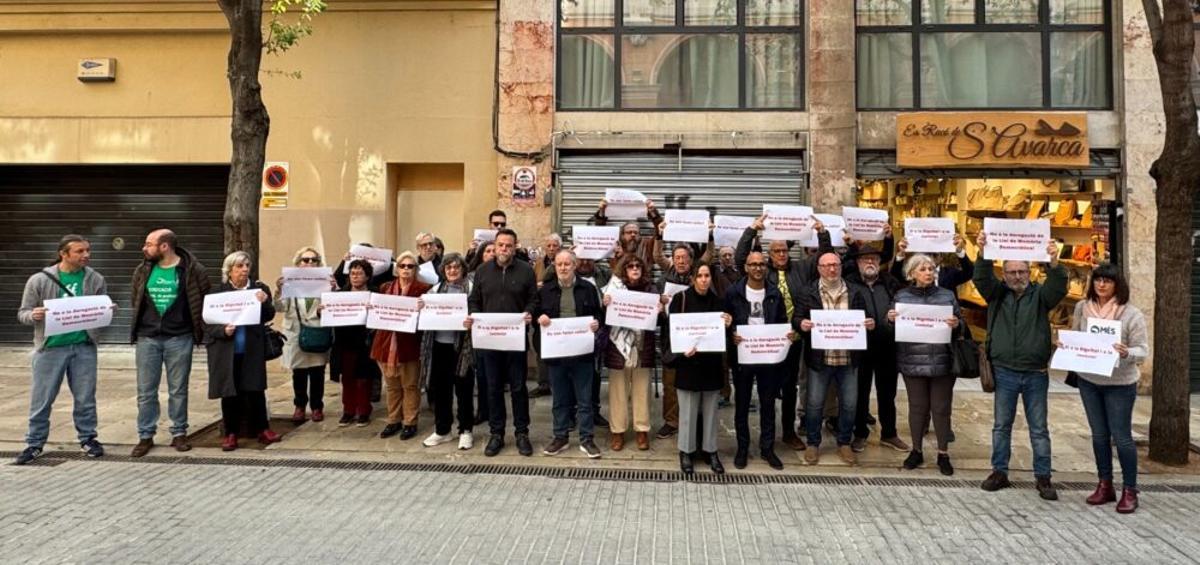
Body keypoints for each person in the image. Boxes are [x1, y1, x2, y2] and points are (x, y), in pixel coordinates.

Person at [974, 233, 1066, 500]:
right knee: (1002, 424)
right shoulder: (996, 294)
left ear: (1030, 271)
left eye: (1022, 271)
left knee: (1039, 428)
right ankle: (999, 471)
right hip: (1004, 370)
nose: (1017, 276)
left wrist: (1054, 263)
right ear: (1003, 273)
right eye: (1012, 271)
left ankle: (1044, 477)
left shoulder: (1041, 296)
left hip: (1036, 372)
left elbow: (1058, 286)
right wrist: (981, 254)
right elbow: (981, 278)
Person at [14, 235, 114, 465]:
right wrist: (34, 315)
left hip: (83, 347)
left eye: (87, 250)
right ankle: (34, 442)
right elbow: (23, 313)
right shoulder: (39, 280)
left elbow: (99, 312)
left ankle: (88, 438)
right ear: (64, 253)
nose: (86, 255)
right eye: (79, 251)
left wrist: (106, 310)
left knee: (85, 397)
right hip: (50, 349)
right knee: (42, 398)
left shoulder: (95, 278)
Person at [735, 215, 831, 452]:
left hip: (794, 340)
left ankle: (788, 431)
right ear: (769, 254)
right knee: (767, 390)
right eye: (776, 251)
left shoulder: (801, 268)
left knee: (791, 388)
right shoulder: (761, 272)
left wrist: (822, 233)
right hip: (764, 342)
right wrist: (751, 231)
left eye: (784, 250)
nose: (781, 254)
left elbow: (824, 257)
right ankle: (757, 439)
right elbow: (740, 259)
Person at [1070, 264, 1148, 514]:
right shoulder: (1082, 308)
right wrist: (1067, 344)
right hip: (1089, 380)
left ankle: (1130, 489)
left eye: (1107, 281)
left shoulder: (1131, 314)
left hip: (1119, 384)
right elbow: (1076, 335)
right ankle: (1105, 484)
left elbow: (1142, 350)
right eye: (1098, 280)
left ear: (1117, 285)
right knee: (1099, 435)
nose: (1101, 285)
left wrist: (1127, 352)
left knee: (1122, 437)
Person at [130, 229, 211, 457]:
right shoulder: (142, 270)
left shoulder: (193, 271)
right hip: (148, 338)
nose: (144, 248)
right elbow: (135, 298)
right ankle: (145, 435)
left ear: (164, 246)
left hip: (180, 337)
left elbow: (203, 299)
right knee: (146, 391)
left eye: (149, 244)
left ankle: (179, 432)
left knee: (178, 389)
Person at [795, 251, 873, 466]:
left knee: (849, 404)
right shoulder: (808, 291)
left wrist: (869, 324)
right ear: (819, 268)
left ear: (841, 267)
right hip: (820, 359)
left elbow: (866, 318)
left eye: (835, 265)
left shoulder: (855, 292)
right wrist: (801, 324)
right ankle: (813, 443)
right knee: (814, 403)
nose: (832, 269)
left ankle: (844, 443)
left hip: (848, 359)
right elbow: (797, 318)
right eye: (827, 265)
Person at [467, 228, 539, 457]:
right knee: (493, 387)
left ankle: (521, 433)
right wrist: (474, 317)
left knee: (518, 387)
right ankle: (496, 433)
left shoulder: (526, 271)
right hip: (489, 341)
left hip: (515, 340)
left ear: (515, 247)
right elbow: (474, 301)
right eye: (500, 245)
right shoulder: (482, 271)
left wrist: (529, 313)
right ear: (495, 246)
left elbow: (533, 299)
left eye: (509, 245)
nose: (504, 249)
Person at [888, 253, 962, 476]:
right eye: (923, 269)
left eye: (931, 269)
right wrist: (890, 319)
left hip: (942, 361)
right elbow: (893, 330)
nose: (929, 272)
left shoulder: (947, 295)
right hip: (913, 361)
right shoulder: (902, 296)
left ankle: (943, 453)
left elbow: (960, 326)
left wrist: (957, 323)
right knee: (917, 408)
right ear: (911, 274)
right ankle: (916, 450)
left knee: (941, 408)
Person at [204, 251, 280, 451]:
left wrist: (264, 301)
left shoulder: (258, 289)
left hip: (251, 349)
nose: (245, 269)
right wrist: (223, 330)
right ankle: (231, 433)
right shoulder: (217, 293)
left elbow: (269, 315)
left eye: (247, 265)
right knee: (230, 393)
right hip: (227, 351)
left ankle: (263, 429)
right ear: (229, 270)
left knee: (256, 390)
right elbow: (207, 324)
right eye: (240, 266)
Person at [726, 251, 795, 470]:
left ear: (766, 267)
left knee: (768, 403)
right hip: (743, 357)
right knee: (742, 404)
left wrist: (788, 335)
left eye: (761, 264)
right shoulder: (733, 292)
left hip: (768, 357)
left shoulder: (774, 292)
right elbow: (724, 321)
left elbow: (783, 321)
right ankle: (743, 448)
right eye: (753, 264)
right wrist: (731, 335)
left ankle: (767, 448)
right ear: (745, 267)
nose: (757, 268)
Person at [534, 250, 603, 458]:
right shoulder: (545, 290)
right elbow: (535, 312)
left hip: (582, 353)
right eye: (559, 264)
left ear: (575, 266)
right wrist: (540, 317)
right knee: (560, 399)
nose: (563, 268)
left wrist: (596, 323)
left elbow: (599, 313)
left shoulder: (588, 288)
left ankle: (587, 439)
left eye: (567, 264)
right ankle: (560, 437)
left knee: (585, 399)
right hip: (556, 354)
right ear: (554, 266)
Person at [670, 263, 732, 475]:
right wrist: (680, 349)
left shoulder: (718, 302)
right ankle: (686, 452)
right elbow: (673, 331)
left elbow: (723, 335)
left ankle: (710, 450)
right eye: (700, 276)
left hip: (711, 365)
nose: (704, 279)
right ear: (693, 278)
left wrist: (728, 323)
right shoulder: (681, 299)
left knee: (710, 411)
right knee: (687, 411)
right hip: (687, 365)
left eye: (707, 276)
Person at [845, 247, 908, 454]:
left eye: (873, 259)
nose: (869, 262)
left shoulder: (890, 282)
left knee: (887, 393)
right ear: (857, 263)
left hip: (887, 347)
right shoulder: (849, 283)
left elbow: (901, 304)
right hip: (860, 348)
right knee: (860, 393)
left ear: (879, 261)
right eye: (864, 259)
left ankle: (889, 433)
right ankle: (860, 433)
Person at [419, 253, 478, 450]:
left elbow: (479, 310)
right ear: (443, 271)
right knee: (441, 389)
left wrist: (472, 319)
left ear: (463, 269)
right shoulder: (435, 290)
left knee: (464, 388)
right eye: (448, 268)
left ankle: (465, 430)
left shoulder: (471, 289)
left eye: (456, 267)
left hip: (463, 348)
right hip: (438, 345)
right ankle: (443, 430)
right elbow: (424, 312)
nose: (452, 271)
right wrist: (421, 306)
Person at [371, 252, 432, 440]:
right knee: (392, 387)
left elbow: (430, 316)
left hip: (410, 345)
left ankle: (410, 422)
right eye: (402, 266)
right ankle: (393, 420)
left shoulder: (424, 290)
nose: (406, 269)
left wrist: (425, 307)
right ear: (396, 269)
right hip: (386, 344)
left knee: (410, 385)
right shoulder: (385, 287)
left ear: (416, 269)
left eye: (410, 266)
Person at [601, 254, 659, 452]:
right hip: (618, 347)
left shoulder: (651, 290)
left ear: (643, 270)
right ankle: (617, 432)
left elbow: (656, 322)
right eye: (630, 266)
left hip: (643, 347)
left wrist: (660, 310)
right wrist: (605, 304)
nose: (634, 269)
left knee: (642, 391)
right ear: (624, 270)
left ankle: (642, 430)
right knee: (618, 392)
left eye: (638, 266)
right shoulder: (615, 290)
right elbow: (604, 319)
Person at [275, 247, 334, 425]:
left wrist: (333, 292)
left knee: (317, 372)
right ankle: (299, 406)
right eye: (305, 260)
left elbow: (333, 307)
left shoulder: (325, 282)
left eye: (313, 260)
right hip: (296, 332)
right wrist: (278, 291)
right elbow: (280, 308)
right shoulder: (290, 282)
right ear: (298, 262)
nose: (309, 263)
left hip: (317, 331)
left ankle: (317, 406)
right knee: (298, 373)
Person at [332, 259, 378, 427]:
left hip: (366, 343)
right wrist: (321, 310)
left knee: (364, 379)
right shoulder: (339, 294)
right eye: (352, 273)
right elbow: (328, 314)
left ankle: (364, 410)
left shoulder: (374, 294)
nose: (355, 276)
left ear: (367, 276)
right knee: (348, 378)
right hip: (345, 342)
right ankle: (348, 410)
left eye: (359, 273)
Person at [590, 198, 664, 272]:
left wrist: (653, 212)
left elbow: (660, 229)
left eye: (636, 232)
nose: (633, 235)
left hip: (643, 282)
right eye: (629, 232)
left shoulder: (647, 245)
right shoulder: (615, 246)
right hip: (619, 282)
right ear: (622, 235)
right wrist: (602, 211)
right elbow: (600, 232)